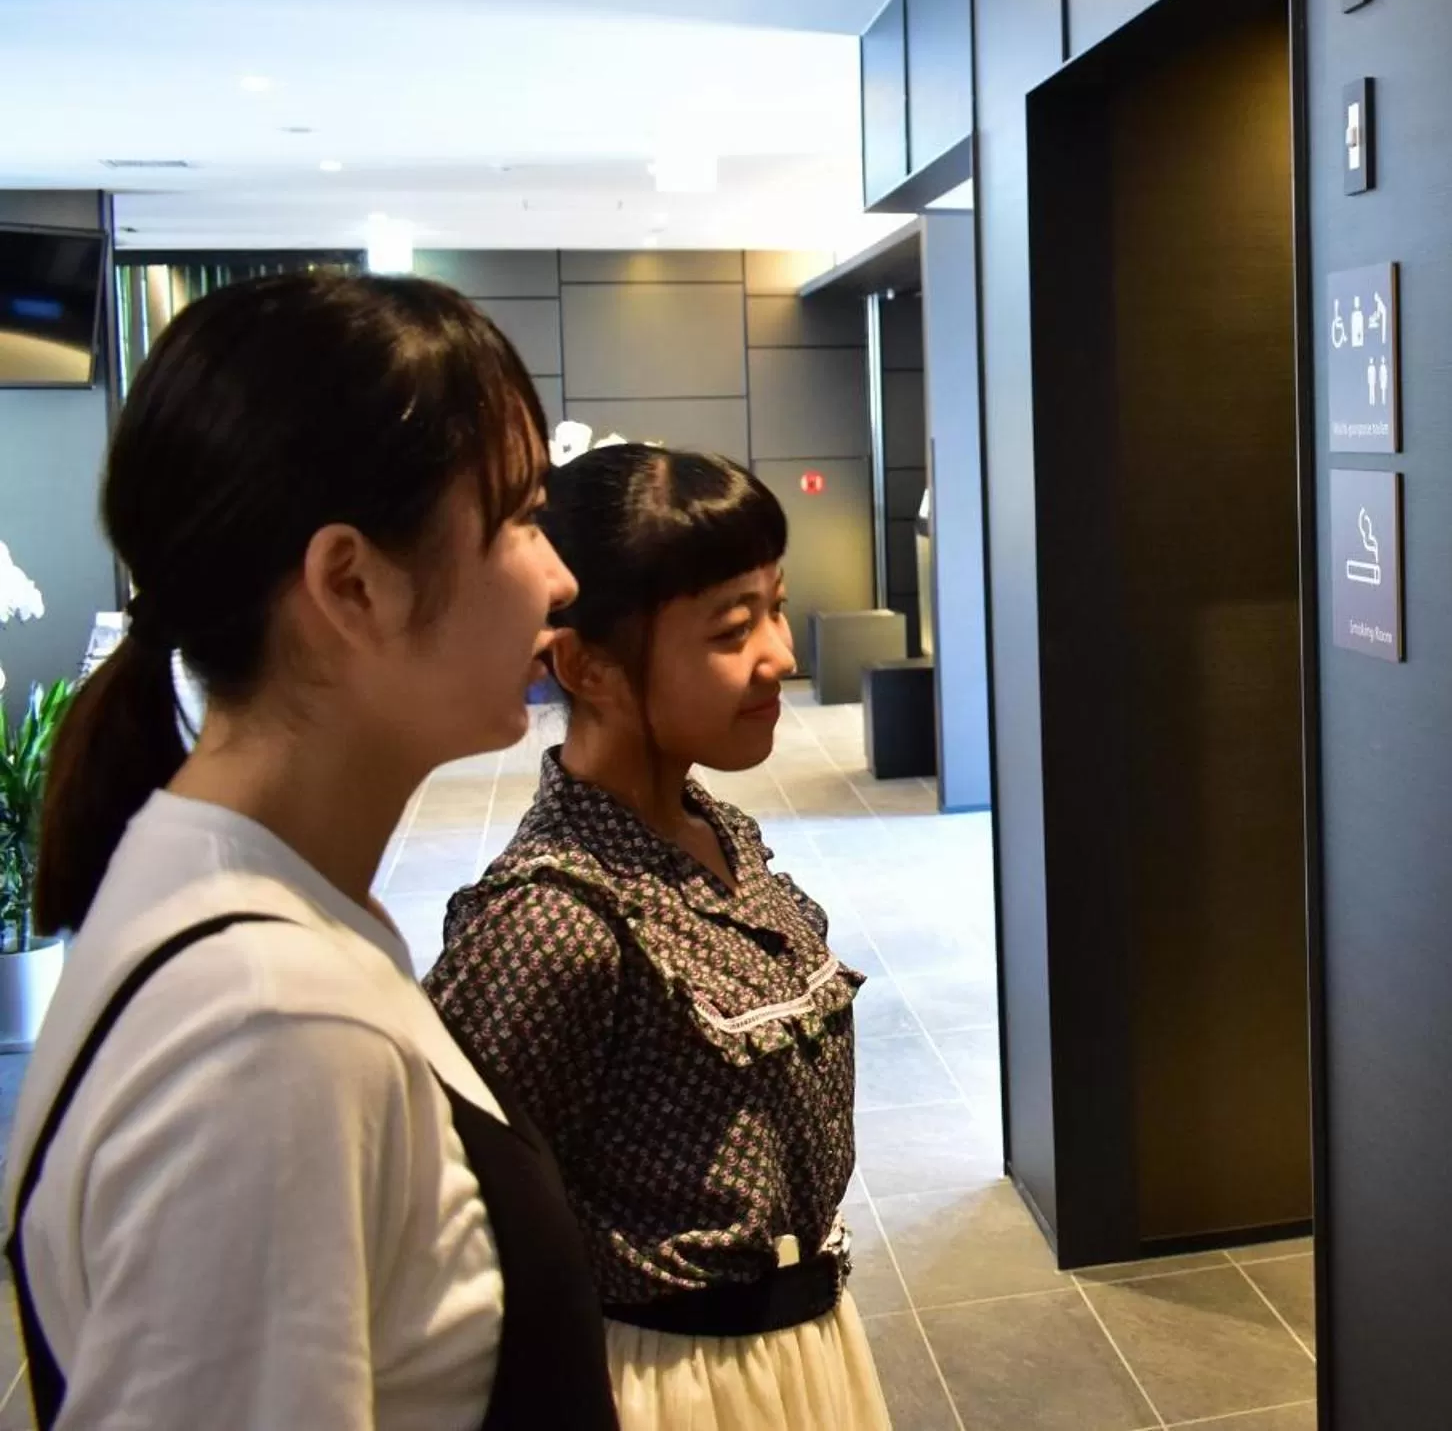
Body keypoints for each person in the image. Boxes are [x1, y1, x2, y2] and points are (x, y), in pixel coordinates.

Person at [4, 273, 617, 1431]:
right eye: (524, 520)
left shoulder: (238, 899)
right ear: (351, 583)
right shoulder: (267, 1033)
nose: (561, 575)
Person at [426, 445, 889, 1431]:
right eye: (734, 627)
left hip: (803, 1352)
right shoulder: (551, 916)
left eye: (777, 605)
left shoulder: (718, 831)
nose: (784, 654)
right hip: (674, 1389)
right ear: (588, 664)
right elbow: (458, 1230)